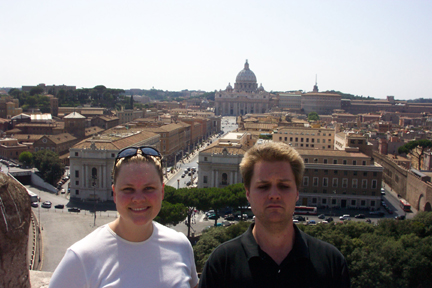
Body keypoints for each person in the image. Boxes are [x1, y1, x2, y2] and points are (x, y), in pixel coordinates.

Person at [199, 142, 350, 288]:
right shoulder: (219, 265)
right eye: (263, 186)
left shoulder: (333, 264)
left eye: (284, 186)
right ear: (248, 193)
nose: (274, 195)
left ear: (297, 192)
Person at [50, 146, 198, 288]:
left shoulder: (181, 246)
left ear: (162, 192)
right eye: (128, 189)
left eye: (149, 188)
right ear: (114, 193)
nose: (138, 198)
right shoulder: (80, 258)